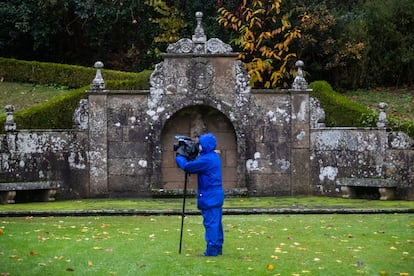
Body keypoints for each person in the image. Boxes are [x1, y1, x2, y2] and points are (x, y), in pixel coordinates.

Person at [175, 132, 224, 256]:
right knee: (216, 222)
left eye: (200, 144)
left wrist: (180, 156)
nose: (199, 146)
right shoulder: (213, 157)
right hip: (215, 194)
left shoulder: (207, 160)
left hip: (209, 194)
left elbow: (188, 166)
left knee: (211, 222)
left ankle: (212, 249)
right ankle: (217, 246)